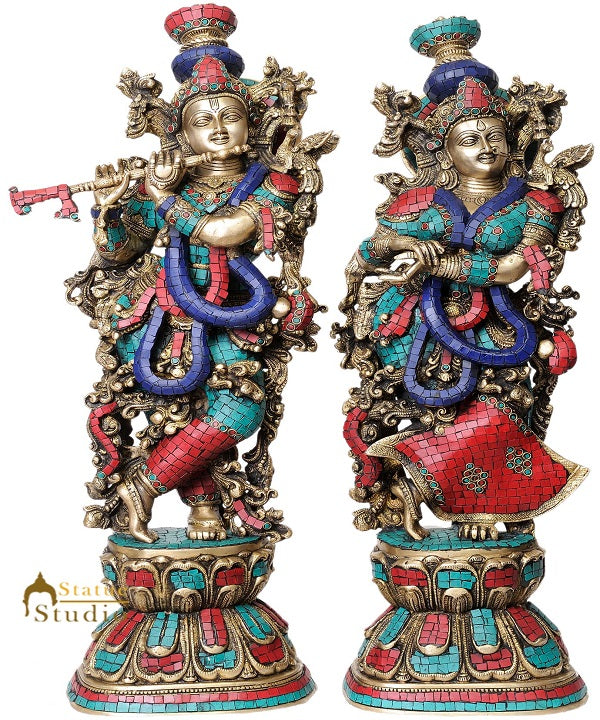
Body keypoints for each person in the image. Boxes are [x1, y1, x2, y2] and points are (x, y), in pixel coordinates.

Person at [68, 5, 328, 544]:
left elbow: (226, 232)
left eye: (229, 116)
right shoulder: (165, 180)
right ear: (182, 133)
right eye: (202, 121)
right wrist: (112, 208)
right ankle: (203, 505)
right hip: (160, 311)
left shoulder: (272, 182)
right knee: (181, 408)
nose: (218, 128)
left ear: (250, 123)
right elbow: (119, 253)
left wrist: (165, 198)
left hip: (233, 307)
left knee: (238, 407)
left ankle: (143, 484)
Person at [337, 21, 587, 541]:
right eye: (470, 139)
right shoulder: (419, 200)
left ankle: (461, 494)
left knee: (501, 407)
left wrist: (444, 265)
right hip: (413, 323)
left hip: (494, 320)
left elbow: (513, 267)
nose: (485, 147)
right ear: (444, 151)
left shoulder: (534, 202)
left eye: (494, 136)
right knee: (420, 405)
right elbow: (367, 252)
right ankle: (411, 486)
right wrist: (405, 246)